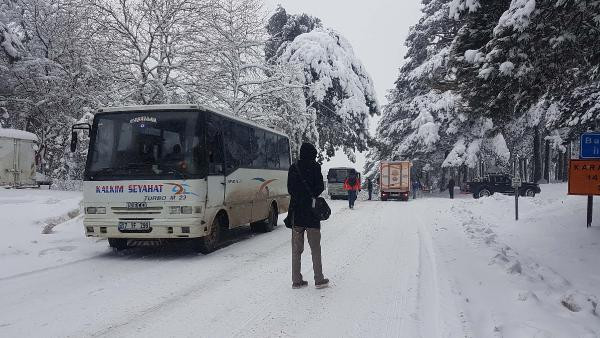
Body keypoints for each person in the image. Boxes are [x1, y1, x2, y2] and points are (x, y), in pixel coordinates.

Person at [287, 142, 329, 289]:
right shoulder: (315, 167)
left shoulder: (293, 168)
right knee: (315, 248)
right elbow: (320, 187)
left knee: (296, 250)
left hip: (297, 214)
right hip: (312, 214)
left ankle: (296, 281)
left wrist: (299, 198)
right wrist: (310, 196)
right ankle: (319, 279)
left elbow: (290, 189)